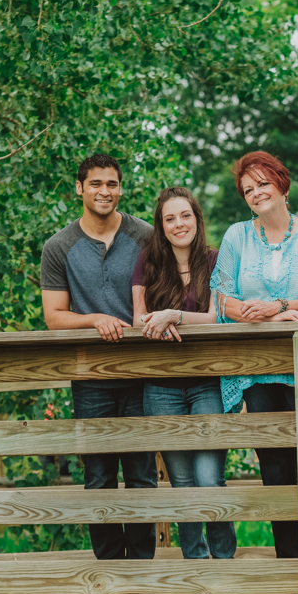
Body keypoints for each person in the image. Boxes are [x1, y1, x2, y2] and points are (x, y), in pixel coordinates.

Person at [211, 151, 298, 559]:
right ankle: (289, 560)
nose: (256, 193)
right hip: (258, 367)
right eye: (248, 189)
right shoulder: (236, 236)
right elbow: (221, 298)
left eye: (263, 184)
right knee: (274, 464)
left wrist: (280, 306)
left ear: (282, 184)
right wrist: (267, 314)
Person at [39, 153, 158, 560]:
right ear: (80, 188)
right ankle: (108, 567)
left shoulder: (146, 237)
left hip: (142, 373)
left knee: (142, 476)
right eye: (95, 183)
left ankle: (141, 568)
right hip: (89, 377)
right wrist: (94, 320)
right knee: (98, 477)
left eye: (112, 184)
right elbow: (54, 317)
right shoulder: (59, 246)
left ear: (120, 189)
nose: (104, 191)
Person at [131, 186, 234, 560]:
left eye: (185, 215)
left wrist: (173, 316)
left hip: (208, 382)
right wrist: (154, 322)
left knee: (209, 478)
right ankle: (195, 560)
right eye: (170, 218)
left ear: (196, 219)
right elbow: (138, 319)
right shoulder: (148, 262)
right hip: (161, 386)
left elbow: (219, 317)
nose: (179, 224)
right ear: (161, 225)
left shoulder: (216, 260)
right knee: (183, 481)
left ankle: (224, 560)